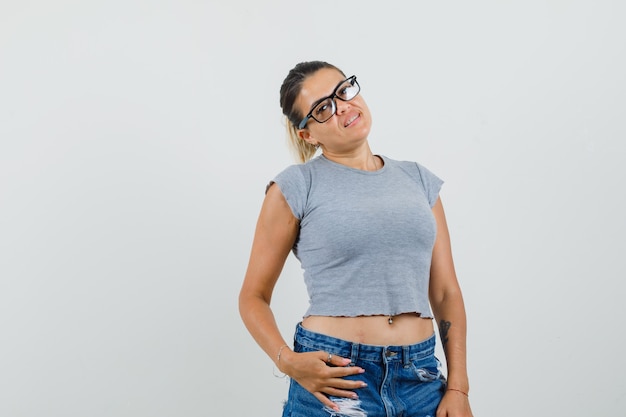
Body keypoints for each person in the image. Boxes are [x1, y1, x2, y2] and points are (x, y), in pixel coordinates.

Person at [239, 60, 473, 417]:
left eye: (343, 91)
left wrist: (458, 386)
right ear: (308, 135)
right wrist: (288, 361)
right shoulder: (296, 186)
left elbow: (445, 292)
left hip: (421, 379)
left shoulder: (418, 180)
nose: (343, 106)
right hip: (335, 380)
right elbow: (253, 297)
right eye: (323, 108)